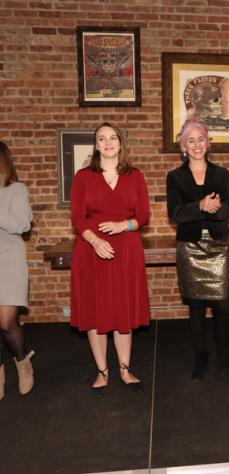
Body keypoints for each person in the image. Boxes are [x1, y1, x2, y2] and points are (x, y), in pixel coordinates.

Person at [70, 122, 150, 391]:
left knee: (123, 310)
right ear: (95, 145)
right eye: (101, 139)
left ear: (120, 143)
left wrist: (122, 226)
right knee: (96, 311)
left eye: (112, 138)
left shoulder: (135, 176)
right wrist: (95, 241)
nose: (107, 143)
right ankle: (102, 371)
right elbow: (77, 219)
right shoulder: (83, 177)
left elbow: (143, 216)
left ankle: (125, 370)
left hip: (126, 251)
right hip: (91, 252)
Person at [166, 118, 229, 383]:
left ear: (209, 143)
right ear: (183, 146)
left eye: (201, 139)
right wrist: (200, 206)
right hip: (190, 246)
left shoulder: (221, 174)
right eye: (190, 140)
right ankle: (201, 356)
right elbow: (174, 214)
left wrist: (217, 209)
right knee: (195, 306)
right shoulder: (175, 177)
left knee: (221, 306)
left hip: (218, 245)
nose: (196, 144)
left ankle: (225, 357)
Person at [0, 141, 34, 400]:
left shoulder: (16, 190)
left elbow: (22, 225)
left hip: (8, 262)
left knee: (6, 321)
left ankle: (22, 361)